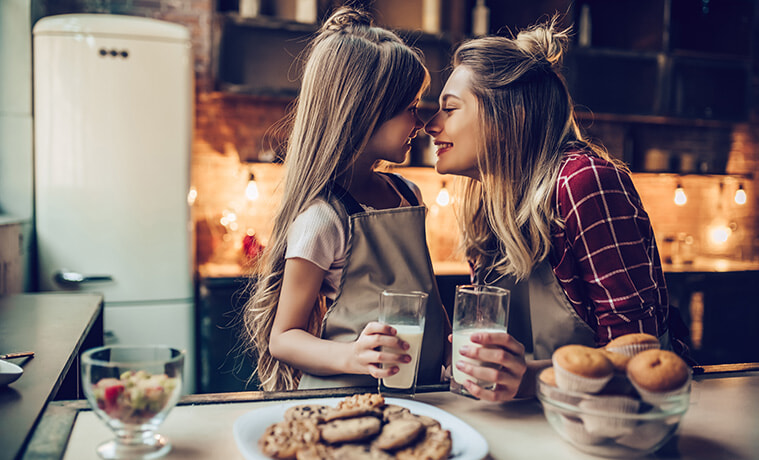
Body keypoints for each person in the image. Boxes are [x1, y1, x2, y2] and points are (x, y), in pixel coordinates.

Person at [424, 17, 690, 402]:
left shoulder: (583, 182)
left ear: (511, 116)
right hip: (528, 418)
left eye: (450, 109)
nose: (431, 124)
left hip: (605, 424)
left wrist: (532, 379)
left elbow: (640, 356)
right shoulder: (488, 202)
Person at [243, 7, 450, 391]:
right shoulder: (324, 218)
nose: (420, 124)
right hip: (344, 400)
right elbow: (283, 337)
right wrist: (353, 356)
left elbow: (429, 299)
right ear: (364, 114)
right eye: (410, 109)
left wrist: (449, 350)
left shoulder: (408, 194)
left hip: (420, 394)